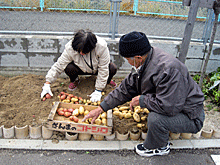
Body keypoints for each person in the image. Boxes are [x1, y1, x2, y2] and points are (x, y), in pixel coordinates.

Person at [82, 31, 205, 157]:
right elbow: (125, 89)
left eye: (127, 59)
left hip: (191, 115)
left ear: (138, 58)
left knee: (156, 119)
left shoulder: (168, 70)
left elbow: (169, 107)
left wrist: (143, 100)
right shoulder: (146, 61)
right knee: (153, 114)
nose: (127, 62)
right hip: (175, 105)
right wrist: (101, 108)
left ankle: (159, 147)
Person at [41, 29, 117, 102]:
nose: (81, 53)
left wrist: (98, 90)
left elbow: (103, 68)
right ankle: (75, 80)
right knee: (68, 67)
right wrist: (47, 83)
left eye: (84, 51)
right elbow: (59, 65)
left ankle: (107, 81)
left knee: (112, 68)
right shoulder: (70, 48)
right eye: (79, 51)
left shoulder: (101, 47)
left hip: (96, 68)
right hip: (81, 68)